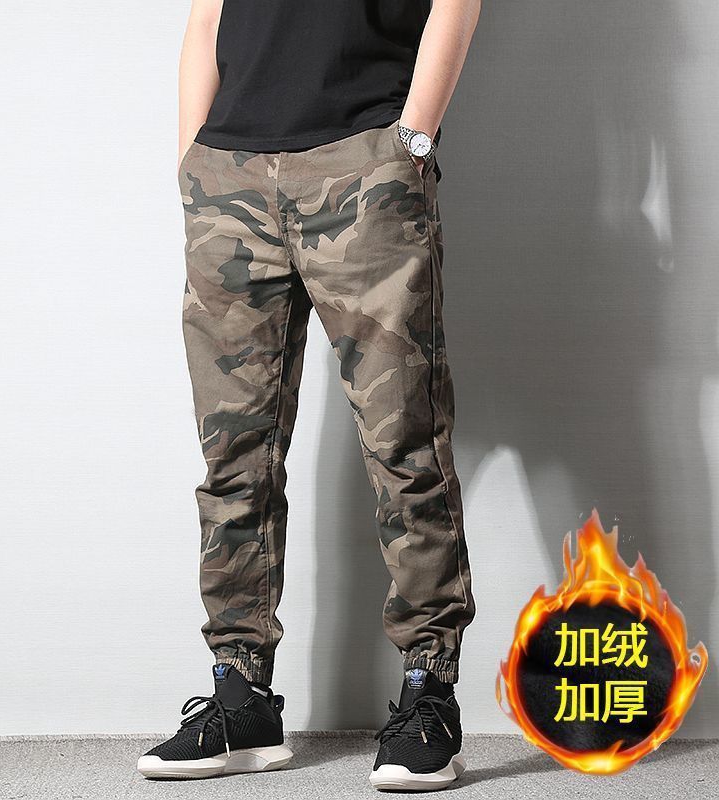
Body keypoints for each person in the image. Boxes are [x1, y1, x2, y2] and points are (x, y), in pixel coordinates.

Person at [137, 0, 481, 790]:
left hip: (364, 161)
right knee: (234, 454)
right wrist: (193, 160)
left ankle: (429, 692)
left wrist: (413, 140)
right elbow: (207, 16)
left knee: (405, 443)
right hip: (230, 174)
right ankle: (240, 697)